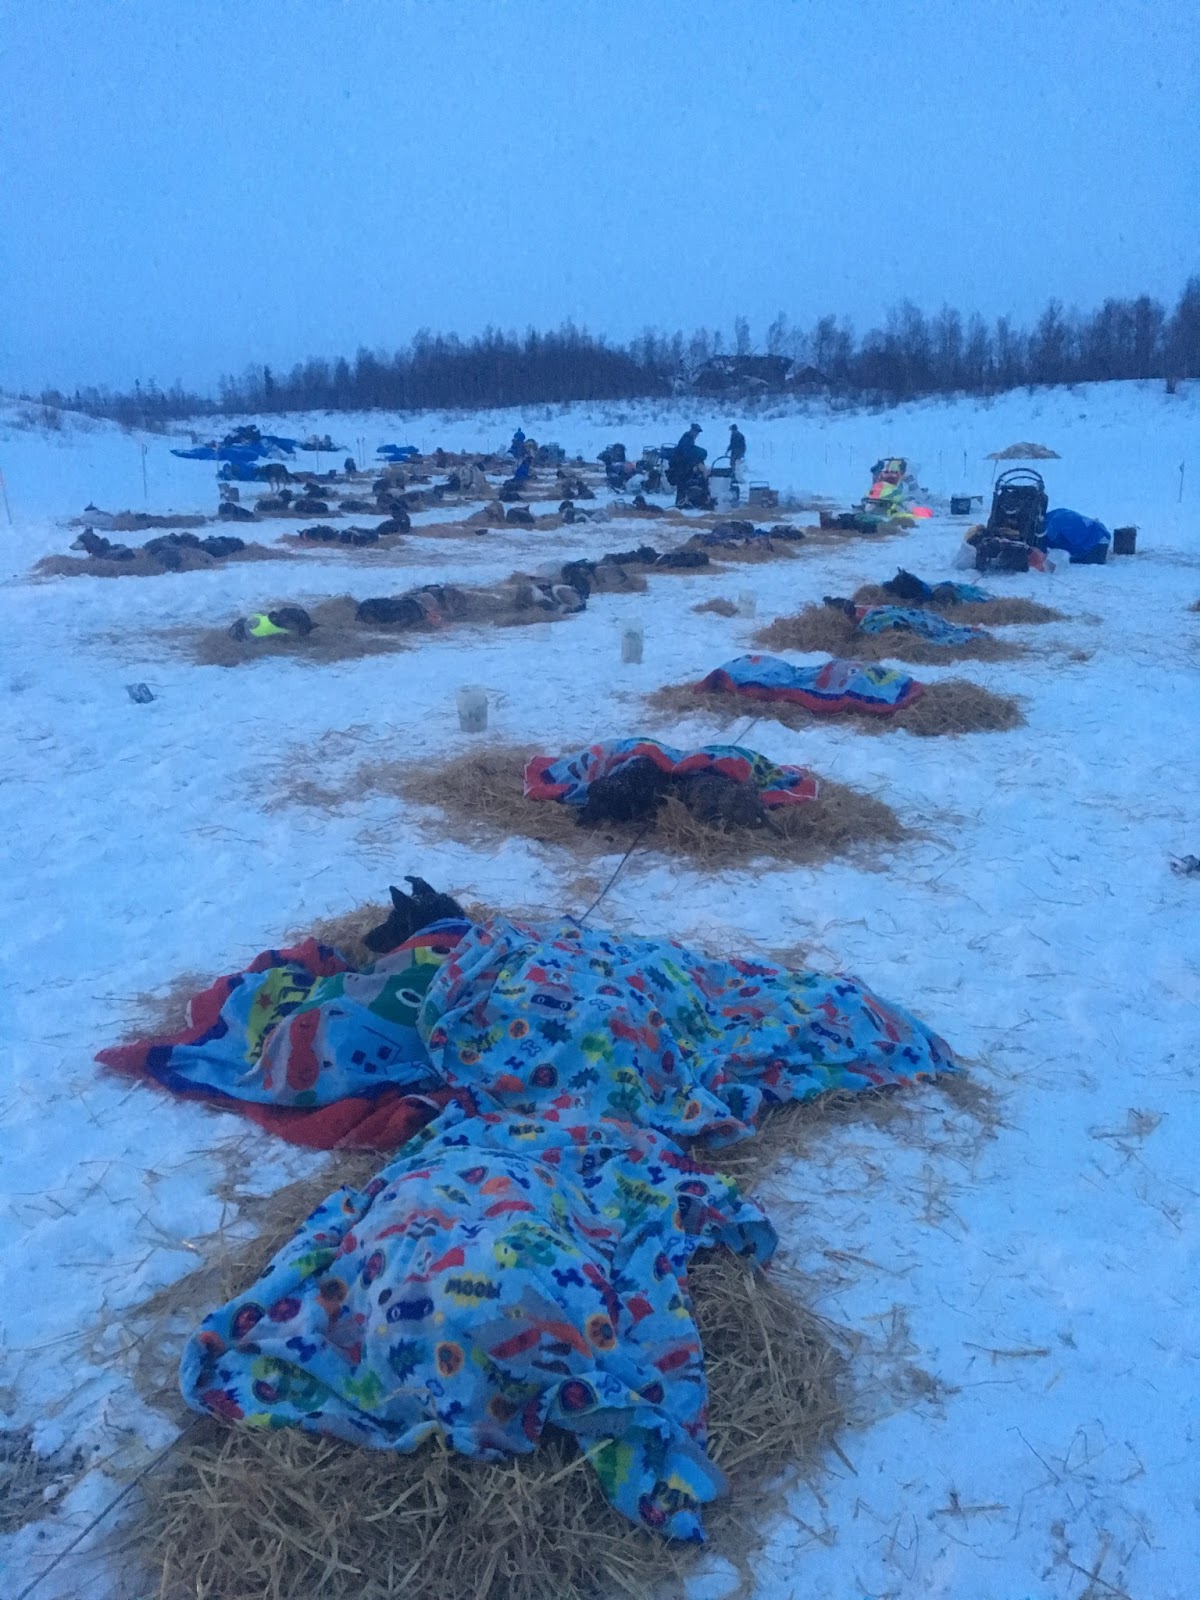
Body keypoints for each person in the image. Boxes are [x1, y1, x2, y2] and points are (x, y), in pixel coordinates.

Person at [669, 424, 706, 508]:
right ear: (692, 430)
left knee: (684, 485)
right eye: (696, 432)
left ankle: (683, 503)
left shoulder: (689, 439)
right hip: (680, 466)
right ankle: (680, 505)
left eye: (698, 433)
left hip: (683, 466)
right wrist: (694, 464)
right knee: (682, 485)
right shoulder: (686, 440)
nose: (697, 434)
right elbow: (687, 454)